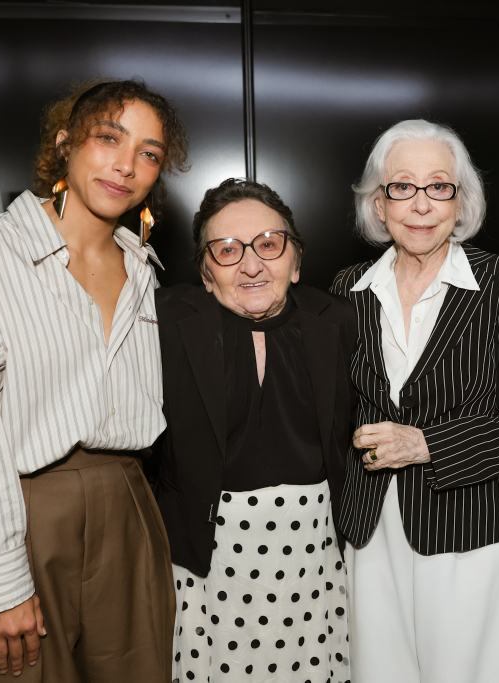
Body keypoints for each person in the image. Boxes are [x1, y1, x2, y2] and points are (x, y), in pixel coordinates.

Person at [0, 80, 190, 681]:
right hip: (20, 517)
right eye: (108, 138)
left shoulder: (145, 270)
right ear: (65, 143)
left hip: (128, 513)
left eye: (148, 153)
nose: (126, 164)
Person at [330, 119, 499, 683]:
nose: (420, 204)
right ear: (379, 204)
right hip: (369, 525)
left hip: (468, 528)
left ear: (461, 201)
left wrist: (426, 444)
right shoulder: (347, 290)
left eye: (439, 187)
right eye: (401, 187)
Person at [154, 178, 356, 683]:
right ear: (204, 272)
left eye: (268, 245)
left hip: (313, 555)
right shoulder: (166, 320)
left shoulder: (340, 320)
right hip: (209, 557)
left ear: (296, 258)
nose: (250, 264)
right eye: (226, 250)